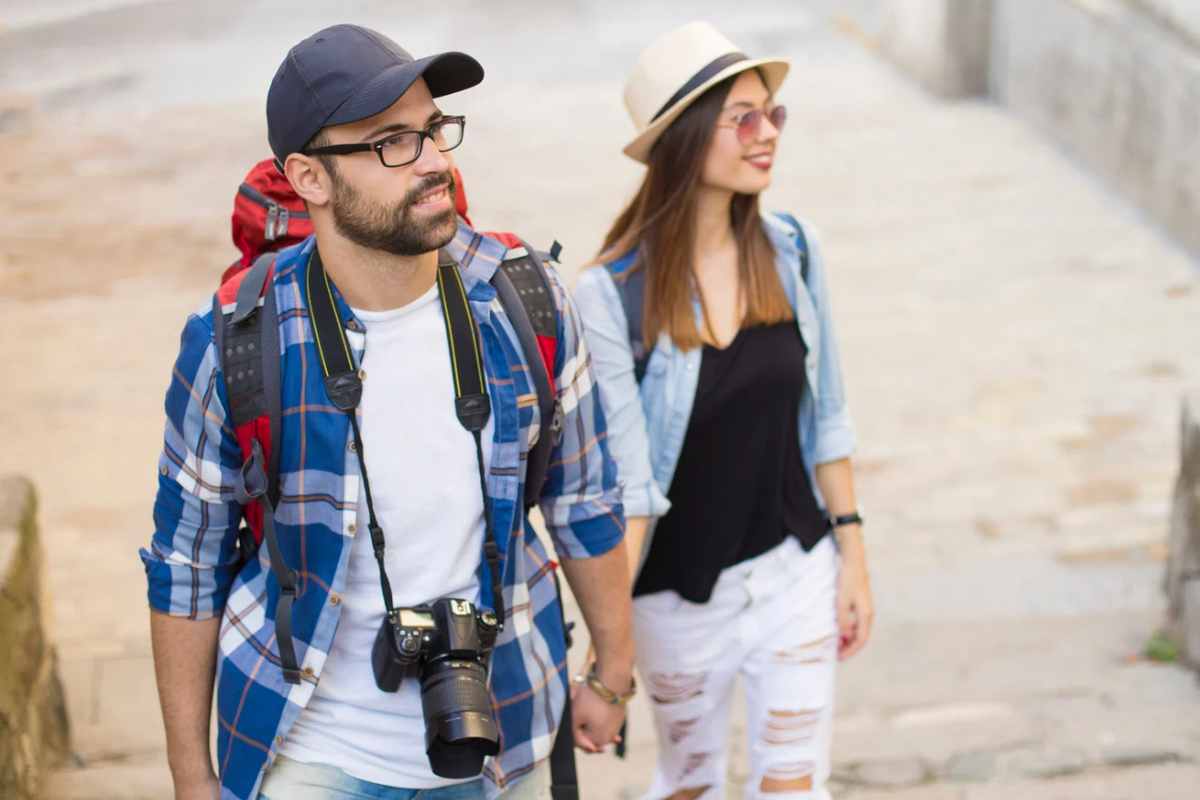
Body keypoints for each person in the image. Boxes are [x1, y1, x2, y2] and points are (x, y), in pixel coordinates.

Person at [140, 24, 634, 800]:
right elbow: (186, 565)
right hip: (307, 745)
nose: (436, 160)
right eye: (391, 142)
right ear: (308, 176)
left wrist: (612, 672)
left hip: (505, 730)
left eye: (435, 129)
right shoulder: (236, 340)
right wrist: (191, 775)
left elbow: (584, 503)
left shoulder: (525, 299)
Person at [572, 21, 874, 800]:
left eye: (773, 113)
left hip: (795, 574)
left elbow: (829, 415)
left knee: (794, 783)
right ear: (687, 138)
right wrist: (611, 661)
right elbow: (633, 488)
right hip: (677, 599)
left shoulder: (792, 250)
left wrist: (853, 559)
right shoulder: (611, 297)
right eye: (743, 116)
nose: (766, 133)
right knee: (691, 784)